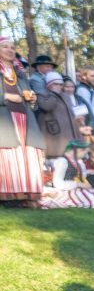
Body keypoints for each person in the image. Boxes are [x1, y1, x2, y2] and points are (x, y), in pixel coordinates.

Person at [0, 37, 45, 204]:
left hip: (24, 119)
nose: (10, 50)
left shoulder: (19, 74)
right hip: (5, 120)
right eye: (5, 47)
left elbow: (28, 97)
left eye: (12, 47)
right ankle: (7, 195)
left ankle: (25, 194)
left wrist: (31, 98)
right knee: (7, 155)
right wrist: (6, 96)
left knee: (26, 155)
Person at [39, 140, 94, 209]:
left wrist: (86, 179)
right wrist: (77, 184)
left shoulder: (78, 162)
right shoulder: (62, 161)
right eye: (84, 152)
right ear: (77, 151)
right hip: (64, 190)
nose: (86, 156)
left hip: (76, 189)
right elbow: (58, 183)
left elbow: (81, 177)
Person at [35, 71, 82, 161]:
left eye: (61, 84)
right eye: (56, 84)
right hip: (54, 136)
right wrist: (54, 94)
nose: (59, 87)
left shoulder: (65, 96)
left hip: (69, 136)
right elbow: (47, 106)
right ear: (49, 84)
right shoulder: (42, 95)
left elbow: (71, 113)